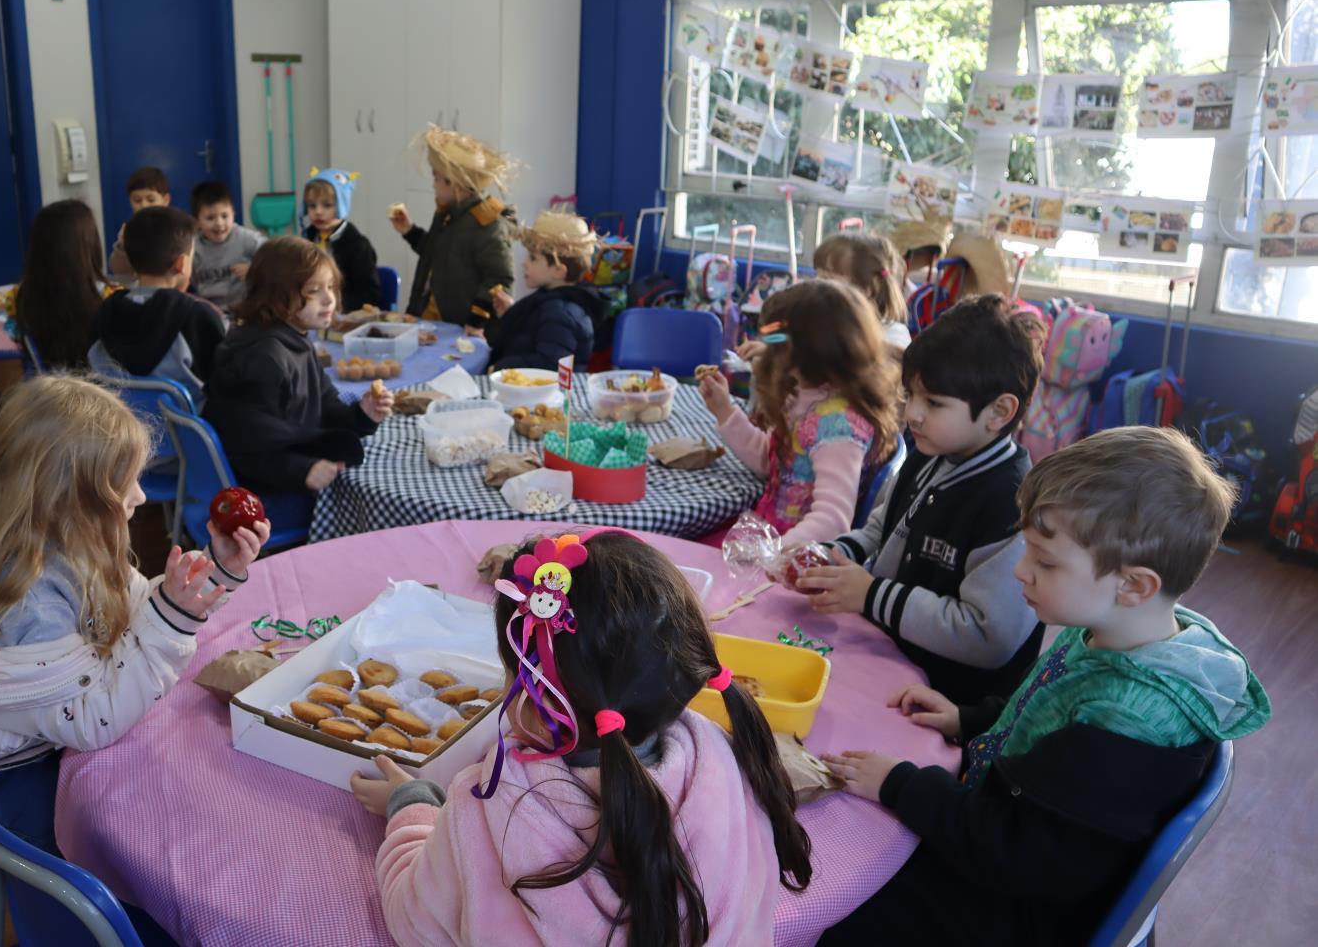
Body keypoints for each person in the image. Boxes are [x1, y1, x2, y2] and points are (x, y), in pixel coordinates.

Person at [819, 427, 1270, 947]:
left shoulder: (1126, 727)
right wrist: (970, 719)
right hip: (1007, 846)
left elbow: (1018, 855)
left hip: (1019, 912)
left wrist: (901, 785)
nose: (1020, 571)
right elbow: (1048, 720)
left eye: (1046, 561)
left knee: (838, 904)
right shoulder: (1119, 634)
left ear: (1134, 584)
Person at [0, 375, 270, 860]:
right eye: (124, 485)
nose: (140, 497)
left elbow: (142, 611)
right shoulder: (27, 601)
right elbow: (95, 719)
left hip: (1, 758)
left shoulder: (46, 538)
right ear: (67, 499)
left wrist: (215, 571)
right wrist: (176, 620)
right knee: (139, 836)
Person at [350, 530, 813, 946]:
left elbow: (414, 920)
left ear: (532, 706)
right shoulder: (727, 763)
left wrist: (412, 804)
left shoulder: (487, 808)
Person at [797, 295, 1044, 703]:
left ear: (999, 412)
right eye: (910, 395)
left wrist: (871, 594)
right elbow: (880, 531)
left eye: (933, 403)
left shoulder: (1012, 505)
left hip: (946, 703)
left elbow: (988, 637)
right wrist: (828, 557)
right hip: (891, 659)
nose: (912, 414)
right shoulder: (930, 456)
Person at [700, 279, 902, 547]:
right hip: (771, 536)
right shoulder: (807, 395)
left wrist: (771, 553)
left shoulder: (837, 426)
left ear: (809, 350)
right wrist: (725, 411)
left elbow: (832, 521)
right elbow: (772, 462)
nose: (769, 350)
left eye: (776, 342)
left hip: (791, 561)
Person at [204, 237, 394, 496]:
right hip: (267, 493)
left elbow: (326, 409)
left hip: (290, 473)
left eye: (330, 287)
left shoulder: (295, 338)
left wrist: (363, 415)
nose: (329, 300)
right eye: (314, 290)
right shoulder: (264, 357)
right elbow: (243, 446)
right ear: (276, 296)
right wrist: (302, 470)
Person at [89, 205, 226, 411]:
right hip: (187, 440)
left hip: (120, 435)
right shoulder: (197, 317)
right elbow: (223, 385)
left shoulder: (104, 313)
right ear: (181, 263)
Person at [389, 126, 516, 332]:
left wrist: (476, 321)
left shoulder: (487, 222)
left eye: (437, 179)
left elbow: (499, 279)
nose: (433, 185)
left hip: (463, 327)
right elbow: (438, 254)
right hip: (429, 320)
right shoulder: (446, 213)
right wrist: (409, 231)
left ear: (455, 185)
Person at [486, 211, 608, 373]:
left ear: (558, 271)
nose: (524, 263)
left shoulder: (561, 313)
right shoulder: (553, 302)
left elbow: (550, 365)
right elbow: (536, 333)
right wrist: (511, 312)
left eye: (533, 258)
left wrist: (501, 367)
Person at [8, 199, 121, 371]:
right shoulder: (111, 297)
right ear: (90, 245)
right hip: (99, 394)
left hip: (47, 392)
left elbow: (18, 339)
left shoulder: (21, 295)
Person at [301, 167, 381, 314]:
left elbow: (369, 295)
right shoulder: (306, 239)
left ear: (342, 206)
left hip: (343, 315)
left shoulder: (358, 246)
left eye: (327, 205)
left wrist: (335, 306)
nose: (318, 211)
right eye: (312, 205)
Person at [813, 233, 911, 350]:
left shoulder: (891, 338)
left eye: (827, 278)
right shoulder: (828, 319)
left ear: (867, 289)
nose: (815, 283)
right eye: (817, 275)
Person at [189, 180, 266, 312]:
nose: (219, 223)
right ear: (197, 221)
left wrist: (255, 270)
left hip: (245, 309)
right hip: (209, 312)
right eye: (210, 218)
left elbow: (276, 257)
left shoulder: (246, 239)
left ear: (233, 214)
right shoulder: (192, 246)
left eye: (225, 216)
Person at [109, 165, 173, 277]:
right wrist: (122, 245)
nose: (144, 205)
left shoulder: (175, 227)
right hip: (139, 289)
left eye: (151, 200)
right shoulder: (130, 229)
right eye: (137, 200)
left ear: (165, 200)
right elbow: (119, 271)